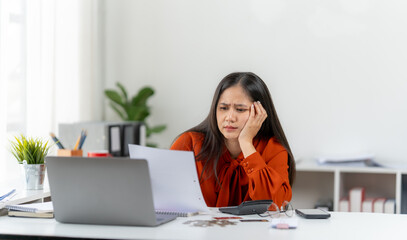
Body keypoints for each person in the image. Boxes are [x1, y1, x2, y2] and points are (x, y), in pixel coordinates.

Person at [170, 72, 295, 207]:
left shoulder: (273, 148)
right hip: (199, 228)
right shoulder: (189, 143)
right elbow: (163, 197)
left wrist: (246, 143)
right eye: (223, 108)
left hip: (254, 229)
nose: (229, 117)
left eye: (240, 109)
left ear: (260, 113)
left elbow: (275, 205)